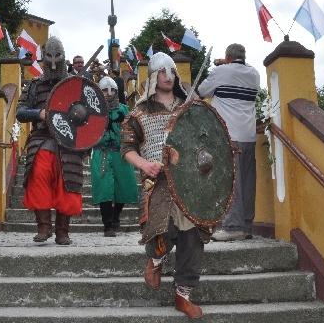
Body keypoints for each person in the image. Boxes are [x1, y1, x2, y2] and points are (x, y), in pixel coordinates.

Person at [120, 52, 207, 319]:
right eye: (162, 72)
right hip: (156, 182)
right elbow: (126, 148)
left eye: (171, 71)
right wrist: (144, 164)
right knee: (163, 227)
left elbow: (207, 142)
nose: (168, 77)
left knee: (192, 238)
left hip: (188, 181)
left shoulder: (190, 108)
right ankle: (155, 260)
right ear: (153, 76)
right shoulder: (139, 113)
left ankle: (183, 296)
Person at [16, 37, 86, 245]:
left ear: (64, 58)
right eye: (49, 56)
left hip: (69, 142)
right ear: (43, 58)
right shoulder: (35, 85)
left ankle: (62, 231)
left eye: (57, 57)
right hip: (42, 138)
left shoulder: (75, 84)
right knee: (38, 177)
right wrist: (39, 113)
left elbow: (90, 117)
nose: (53, 62)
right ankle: (43, 228)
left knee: (68, 182)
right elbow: (20, 112)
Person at [196, 43, 260, 241]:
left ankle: (233, 227)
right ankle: (247, 225)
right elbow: (239, 69)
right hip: (249, 134)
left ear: (228, 56)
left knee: (231, 181)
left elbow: (202, 90)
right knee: (247, 181)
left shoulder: (221, 72)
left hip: (228, 135)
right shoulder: (254, 74)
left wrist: (222, 65)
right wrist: (227, 63)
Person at [90, 76, 138, 237]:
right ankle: (108, 225)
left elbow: (133, 129)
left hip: (121, 153)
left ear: (117, 92)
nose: (109, 94)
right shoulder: (93, 110)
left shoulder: (124, 110)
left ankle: (116, 215)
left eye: (112, 90)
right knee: (104, 188)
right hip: (101, 152)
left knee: (124, 186)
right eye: (104, 90)